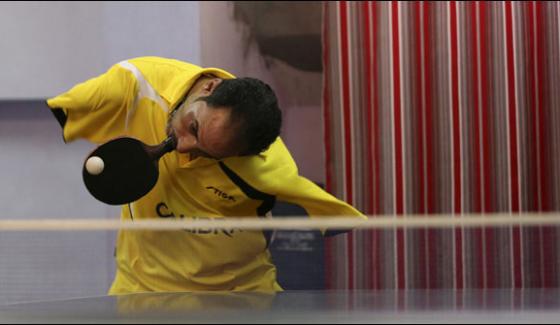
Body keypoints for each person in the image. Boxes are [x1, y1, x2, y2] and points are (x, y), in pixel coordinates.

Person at [46, 56, 365, 294]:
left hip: (239, 301)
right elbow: (67, 112)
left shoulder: (268, 167)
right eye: (194, 127)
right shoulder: (138, 85)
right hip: (141, 296)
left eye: (205, 152)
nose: (185, 146)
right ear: (210, 88)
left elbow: (341, 221)